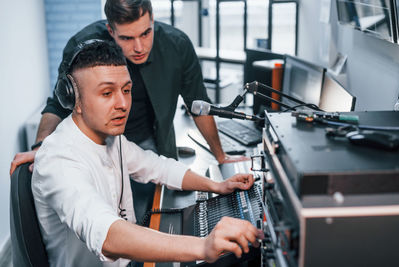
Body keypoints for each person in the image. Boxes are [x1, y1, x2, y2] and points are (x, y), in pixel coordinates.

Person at [32, 39, 261, 267]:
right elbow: (107, 236)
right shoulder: (58, 160)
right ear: (76, 101)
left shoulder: (113, 138)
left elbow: (157, 167)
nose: (122, 103)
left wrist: (216, 186)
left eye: (126, 90)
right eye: (107, 93)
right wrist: (202, 246)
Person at [10, 0, 246, 176]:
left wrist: (220, 156)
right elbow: (58, 104)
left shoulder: (177, 45)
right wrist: (41, 147)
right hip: (98, 150)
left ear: (152, 18)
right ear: (110, 31)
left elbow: (198, 105)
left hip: (152, 144)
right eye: (127, 38)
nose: (139, 47)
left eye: (146, 33)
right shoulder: (82, 47)